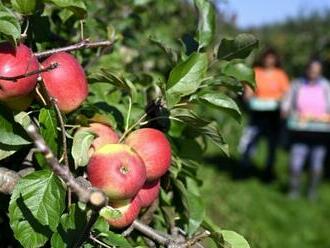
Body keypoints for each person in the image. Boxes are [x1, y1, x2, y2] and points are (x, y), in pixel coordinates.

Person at [282, 59, 330, 200]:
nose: (313, 73)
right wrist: (285, 111)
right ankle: (293, 190)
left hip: (321, 131)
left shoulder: (326, 86)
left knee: (316, 165)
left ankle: (312, 191)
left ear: (320, 71)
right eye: (311, 69)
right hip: (300, 129)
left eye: (316, 70)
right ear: (307, 69)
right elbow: (287, 102)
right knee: (295, 163)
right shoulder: (297, 84)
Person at [239, 48, 289, 181]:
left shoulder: (280, 74)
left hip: (274, 114)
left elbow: (286, 94)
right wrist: (248, 97)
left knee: (272, 143)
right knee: (249, 139)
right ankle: (245, 166)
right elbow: (248, 91)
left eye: (271, 58)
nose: (269, 60)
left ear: (275, 60)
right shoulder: (256, 72)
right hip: (257, 112)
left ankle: (269, 169)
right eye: (267, 58)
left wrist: (282, 105)